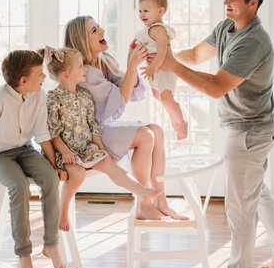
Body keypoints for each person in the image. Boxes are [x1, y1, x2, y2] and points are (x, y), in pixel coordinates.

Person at [159, 0, 274, 268]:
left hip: (249, 133)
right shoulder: (226, 27)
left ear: (253, 3)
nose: (226, 2)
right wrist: (162, 56)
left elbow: (218, 86)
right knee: (257, 192)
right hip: (242, 128)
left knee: (239, 207)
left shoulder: (254, 42)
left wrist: (171, 66)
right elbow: (194, 55)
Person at [64, 15, 188, 220]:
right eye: (94, 31)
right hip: (90, 134)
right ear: (81, 41)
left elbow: (134, 92)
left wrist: (132, 60)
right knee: (146, 136)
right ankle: (144, 204)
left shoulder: (106, 62)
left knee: (157, 130)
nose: (102, 31)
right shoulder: (85, 72)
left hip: (104, 126)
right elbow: (118, 101)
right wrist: (131, 66)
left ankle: (161, 200)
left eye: (99, 27)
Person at [0, 50, 67, 268]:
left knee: (50, 179)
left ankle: (51, 244)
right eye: (40, 74)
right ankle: (24, 254)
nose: (44, 78)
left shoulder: (38, 96)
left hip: (23, 149)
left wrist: (53, 165)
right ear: (23, 81)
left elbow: (42, 134)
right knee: (19, 186)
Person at [40, 45, 162, 231]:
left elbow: (93, 126)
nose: (86, 70)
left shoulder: (84, 95)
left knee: (110, 166)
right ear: (66, 75)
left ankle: (141, 191)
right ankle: (62, 213)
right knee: (78, 175)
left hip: (86, 147)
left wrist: (100, 148)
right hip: (65, 151)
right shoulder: (53, 99)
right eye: (81, 66)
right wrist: (64, 151)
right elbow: (51, 131)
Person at [135, 0, 187, 140]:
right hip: (156, 69)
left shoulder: (159, 30)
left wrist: (153, 67)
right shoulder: (149, 30)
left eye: (146, 11)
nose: (141, 14)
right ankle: (173, 114)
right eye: (140, 11)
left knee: (166, 97)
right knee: (157, 95)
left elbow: (162, 51)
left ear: (160, 11)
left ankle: (181, 122)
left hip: (164, 70)